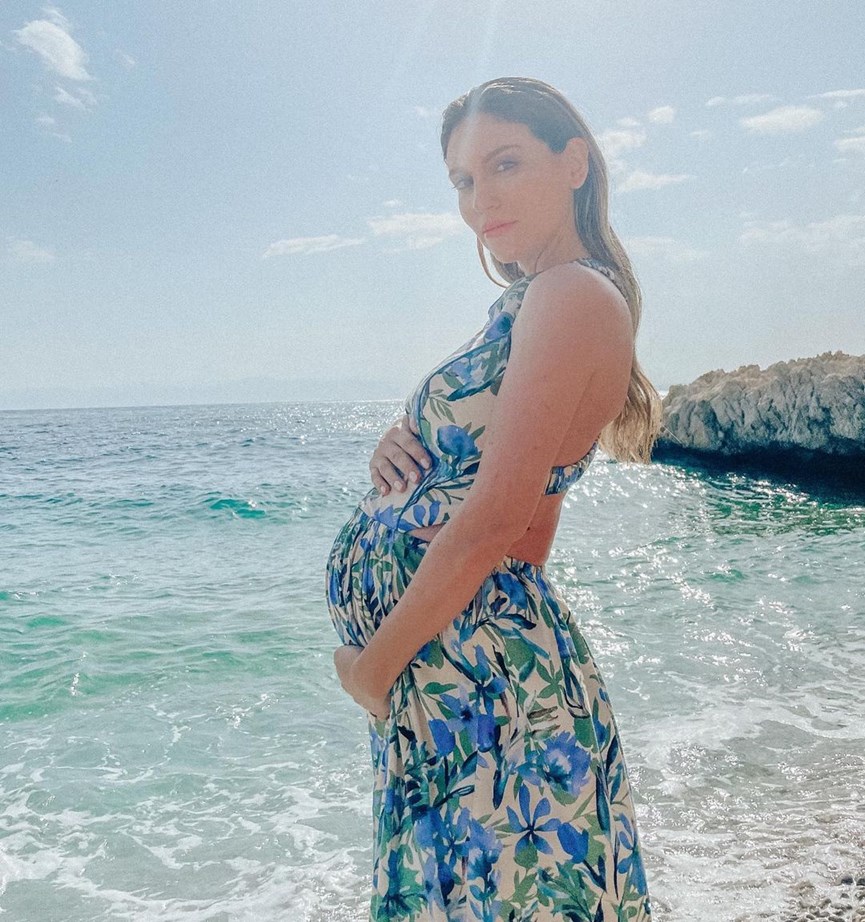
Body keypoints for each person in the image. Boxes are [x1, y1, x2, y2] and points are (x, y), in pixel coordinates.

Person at [325, 76, 661, 921]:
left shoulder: (570, 293)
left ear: (573, 163)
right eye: (464, 181)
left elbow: (496, 521)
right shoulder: (535, 302)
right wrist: (403, 450)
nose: (480, 200)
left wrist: (372, 671)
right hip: (463, 689)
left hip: (476, 691)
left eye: (505, 164)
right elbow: (531, 529)